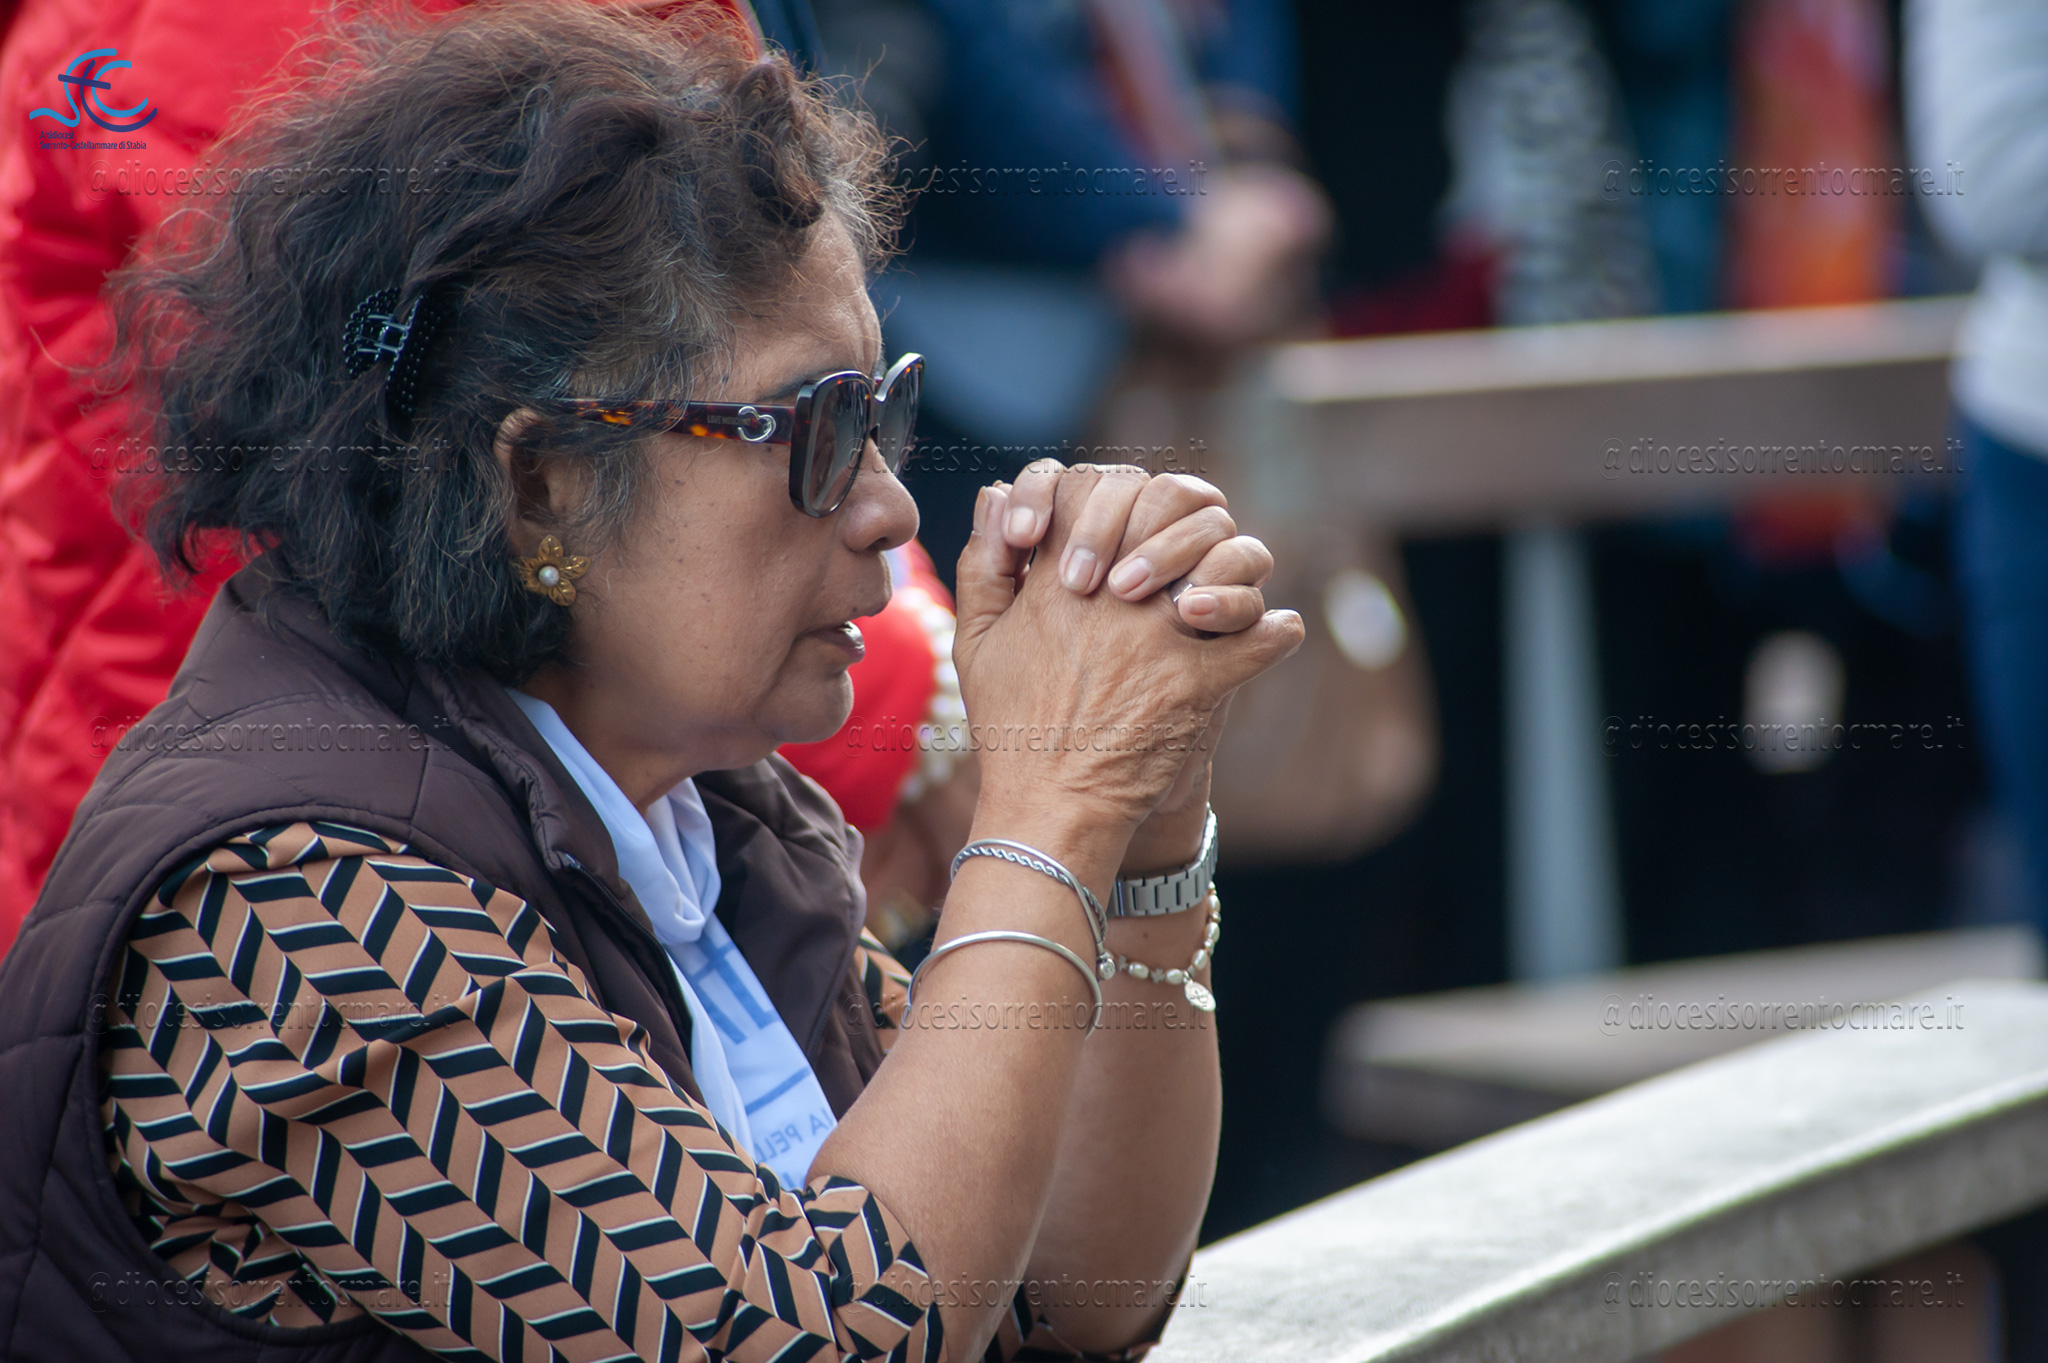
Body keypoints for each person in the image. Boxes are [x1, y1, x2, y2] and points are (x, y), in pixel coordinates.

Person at [0, 5, 1303, 1361]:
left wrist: (1145, 832)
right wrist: (1051, 811)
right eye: (816, 426)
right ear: (542, 485)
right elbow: (830, 1343)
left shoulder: (697, 805)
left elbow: (1065, 1300)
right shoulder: (300, 904)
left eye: (885, 410)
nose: (890, 509)